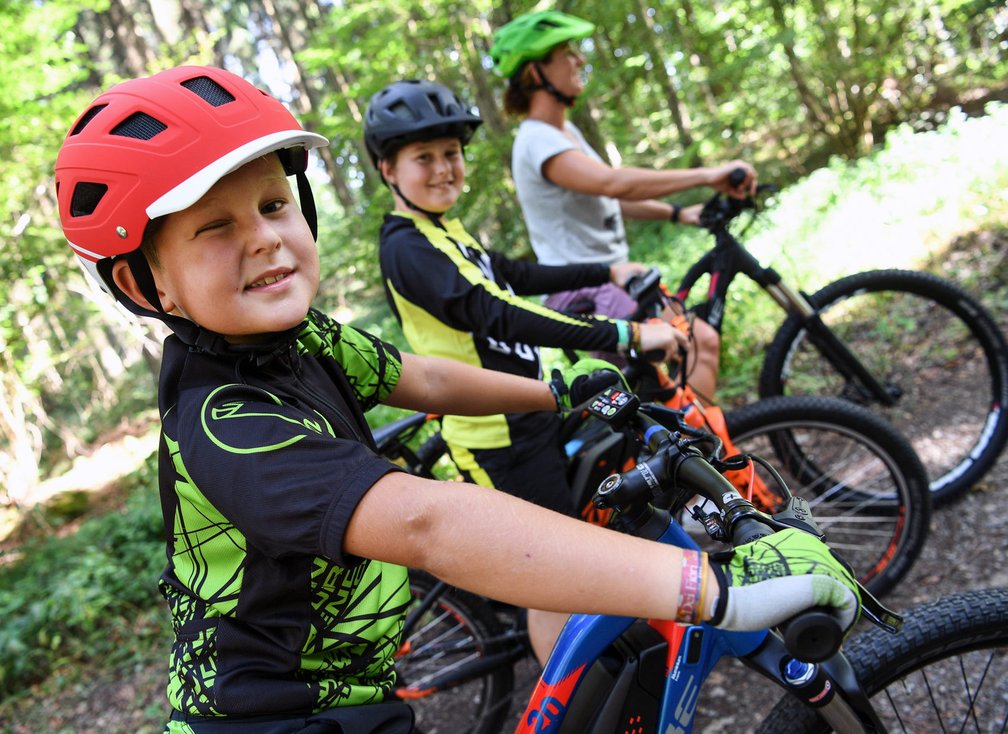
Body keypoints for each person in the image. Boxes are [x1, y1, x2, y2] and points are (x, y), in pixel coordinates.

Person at [55, 64, 861, 734]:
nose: (264, 236)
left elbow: (427, 377)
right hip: (277, 722)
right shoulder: (224, 421)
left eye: (272, 205)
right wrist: (708, 590)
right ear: (145, 280)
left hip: (351, 698)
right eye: (216, 227)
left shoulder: (303, 340)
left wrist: (555, 392)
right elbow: (427, 522)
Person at [365, 78, 690, 663]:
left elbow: (515, 274)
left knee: (583, 528)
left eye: (451, 154)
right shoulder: (406, 247)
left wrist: (607, 270)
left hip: (533, 413)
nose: (444, 169)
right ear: (388, 169)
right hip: (497, 439)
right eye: (424, 158)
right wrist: (626, 332)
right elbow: (498, 311)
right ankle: (566, 712)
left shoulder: (444, 228)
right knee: (551, 585)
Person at [490, 10, 758, 404]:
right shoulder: (536, 140)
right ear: (535, 74)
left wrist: (678, 213)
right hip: (586, 291)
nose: (579, 60)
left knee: (691, 353)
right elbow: (612, 182)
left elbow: (607, 197)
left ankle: (693, 453)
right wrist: (708, 174)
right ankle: (694, 456)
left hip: (613, 282)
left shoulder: (563, 132)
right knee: (694, 346)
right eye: (566, 53)